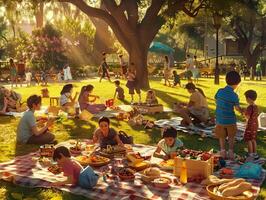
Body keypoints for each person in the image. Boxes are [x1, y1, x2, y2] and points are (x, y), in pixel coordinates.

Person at [215, 71, 243, 160]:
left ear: (226, 80)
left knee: (221, 136)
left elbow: (216, 100)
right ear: (237, 83)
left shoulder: (219, 91)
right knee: (231, 136)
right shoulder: (234, 96)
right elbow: (237, 108)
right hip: (230, 120)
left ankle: (222, 151)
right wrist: (242, 111)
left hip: (219, 119)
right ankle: (230, 151)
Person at [243, 90, 259, 160]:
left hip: (250, 125)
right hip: (255, 125)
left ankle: (250, 154)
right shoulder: (256, 106)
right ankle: (255, 154)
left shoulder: (249, 107)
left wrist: (244, 113)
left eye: (246, 98)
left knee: (248, 139)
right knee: (253, 139)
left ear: (248, 99)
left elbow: (247, 117)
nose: (246, 100)